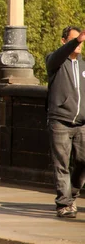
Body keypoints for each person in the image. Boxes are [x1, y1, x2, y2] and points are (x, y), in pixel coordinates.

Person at [45, 25, 85, 218]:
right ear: (64, 41)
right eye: (74, 40)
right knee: (61, 163)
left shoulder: (84, 66)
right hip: (60, 121)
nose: (79, 44)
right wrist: (75, 41)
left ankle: (72, 194)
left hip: (81, 123)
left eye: (81, 41)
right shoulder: (55, 62)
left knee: (83, 162)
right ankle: (64, 204)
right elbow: (58, 55)